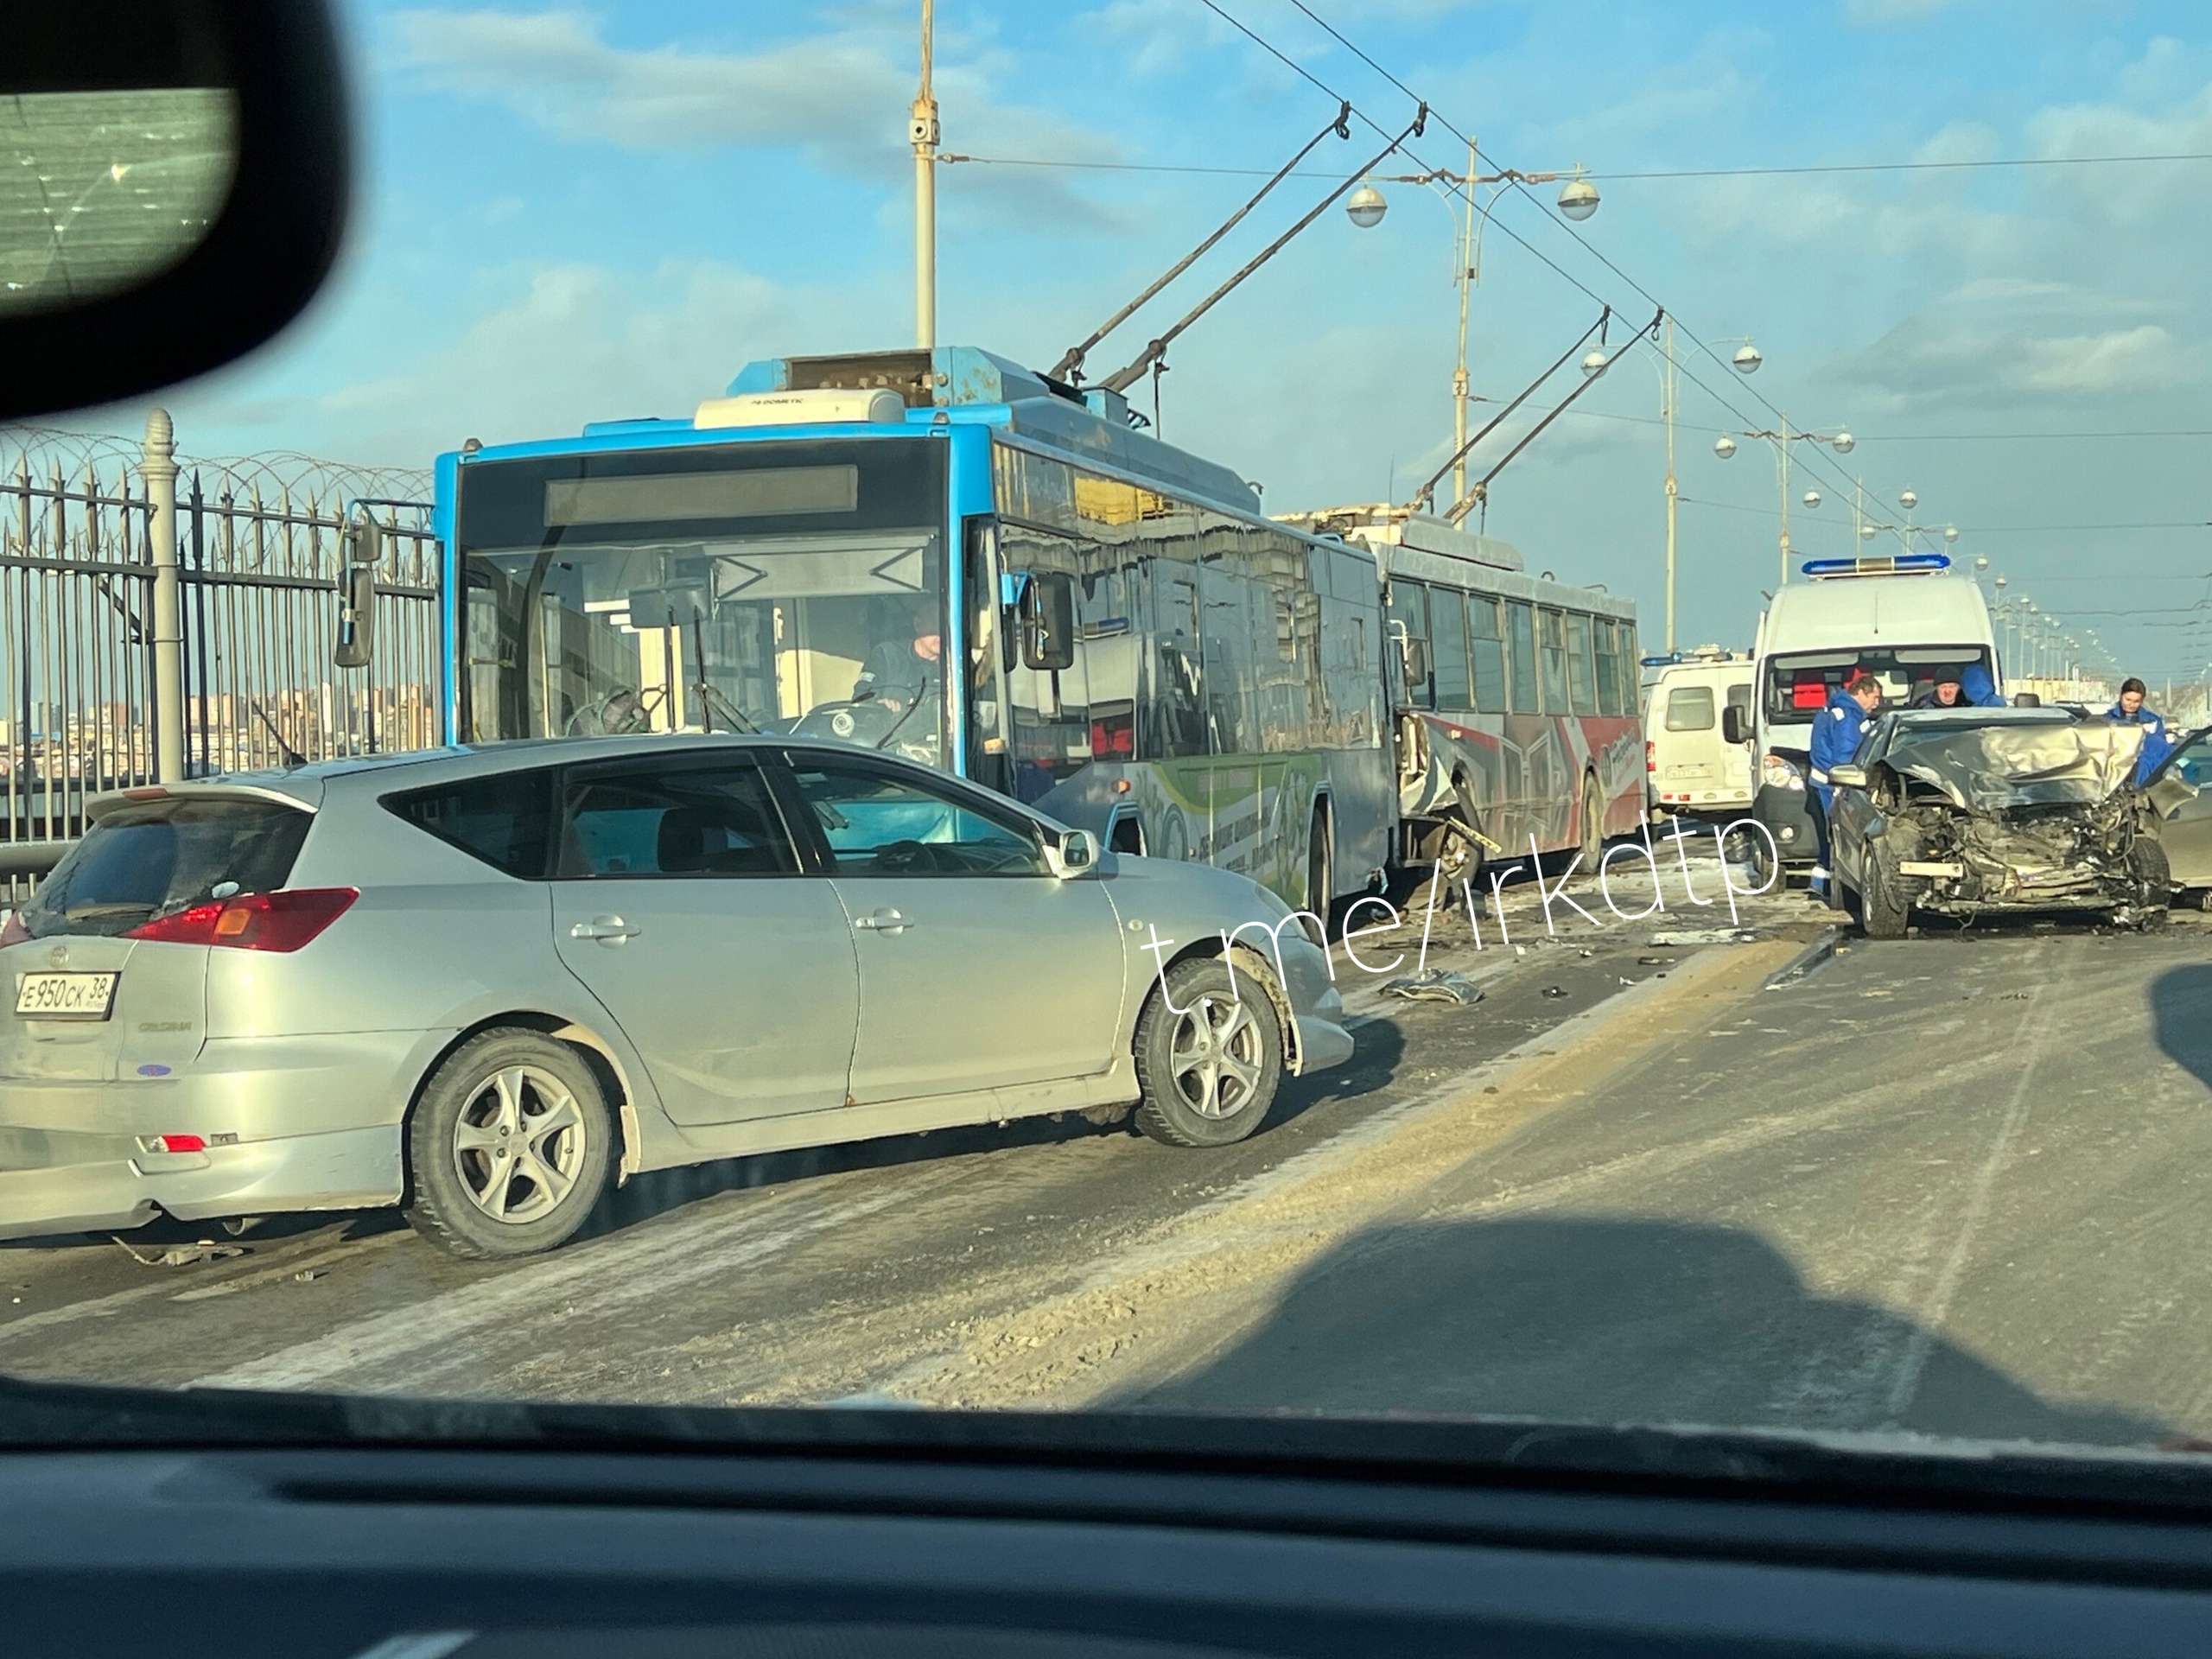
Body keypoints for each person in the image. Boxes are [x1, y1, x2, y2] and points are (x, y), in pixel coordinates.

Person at [1806, 669, 1884, 900]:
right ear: (1861, 693)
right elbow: (1846, 755)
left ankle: (1820, 883)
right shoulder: (1849, 718)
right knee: (1841, 835)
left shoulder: (1832, 710)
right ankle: (1833, 888)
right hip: (1836, 784)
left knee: (1829, 835)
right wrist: (1847, 783)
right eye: (1875, 698)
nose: (1876, 704)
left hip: (1821, 780)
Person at [851, 599, 944, 715]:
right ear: (918, 624)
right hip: (892, 731)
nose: (942, 631)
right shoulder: (886, 655)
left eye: (947, 625)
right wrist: (881, 705)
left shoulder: (957, 663)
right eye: (936, 623)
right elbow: (861, 700)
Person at [2106, 676, 2175, 786]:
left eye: (2136, 701)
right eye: (2128, 700)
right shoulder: (2107, 720)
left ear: (2142, 700)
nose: (2131, 704)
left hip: (2143, 775)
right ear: (2121, 696)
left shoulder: (2153, 721)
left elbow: (2160, 751)